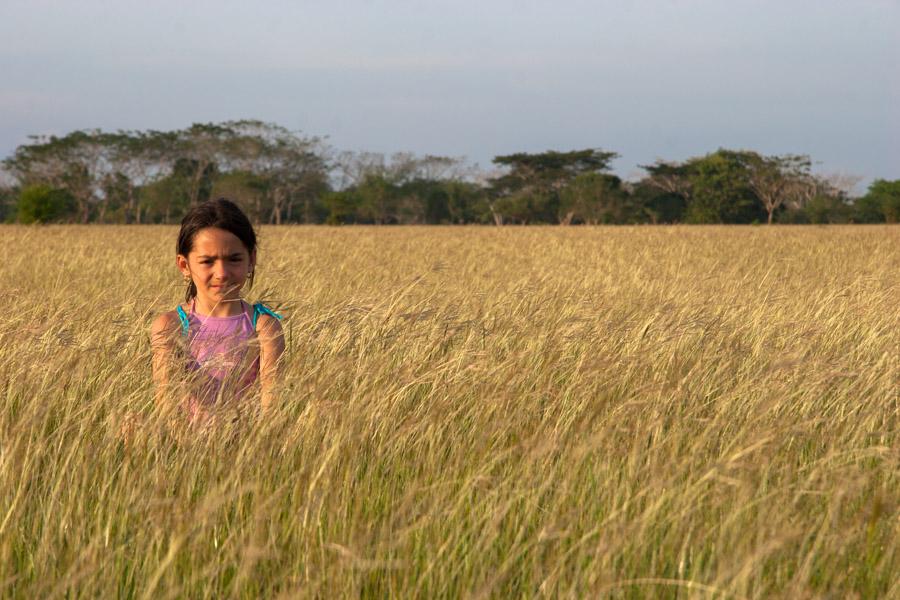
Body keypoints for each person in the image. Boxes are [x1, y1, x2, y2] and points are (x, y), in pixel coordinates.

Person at [149, 198, 285, 428]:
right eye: (207, 261)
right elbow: (167, 406)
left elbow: (271, 405)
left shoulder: (263, 326)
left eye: (234, 259)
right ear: (184, 265)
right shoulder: (170, 326)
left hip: (246, 445)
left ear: (251, 259)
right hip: (184, 446)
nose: (221, 273)